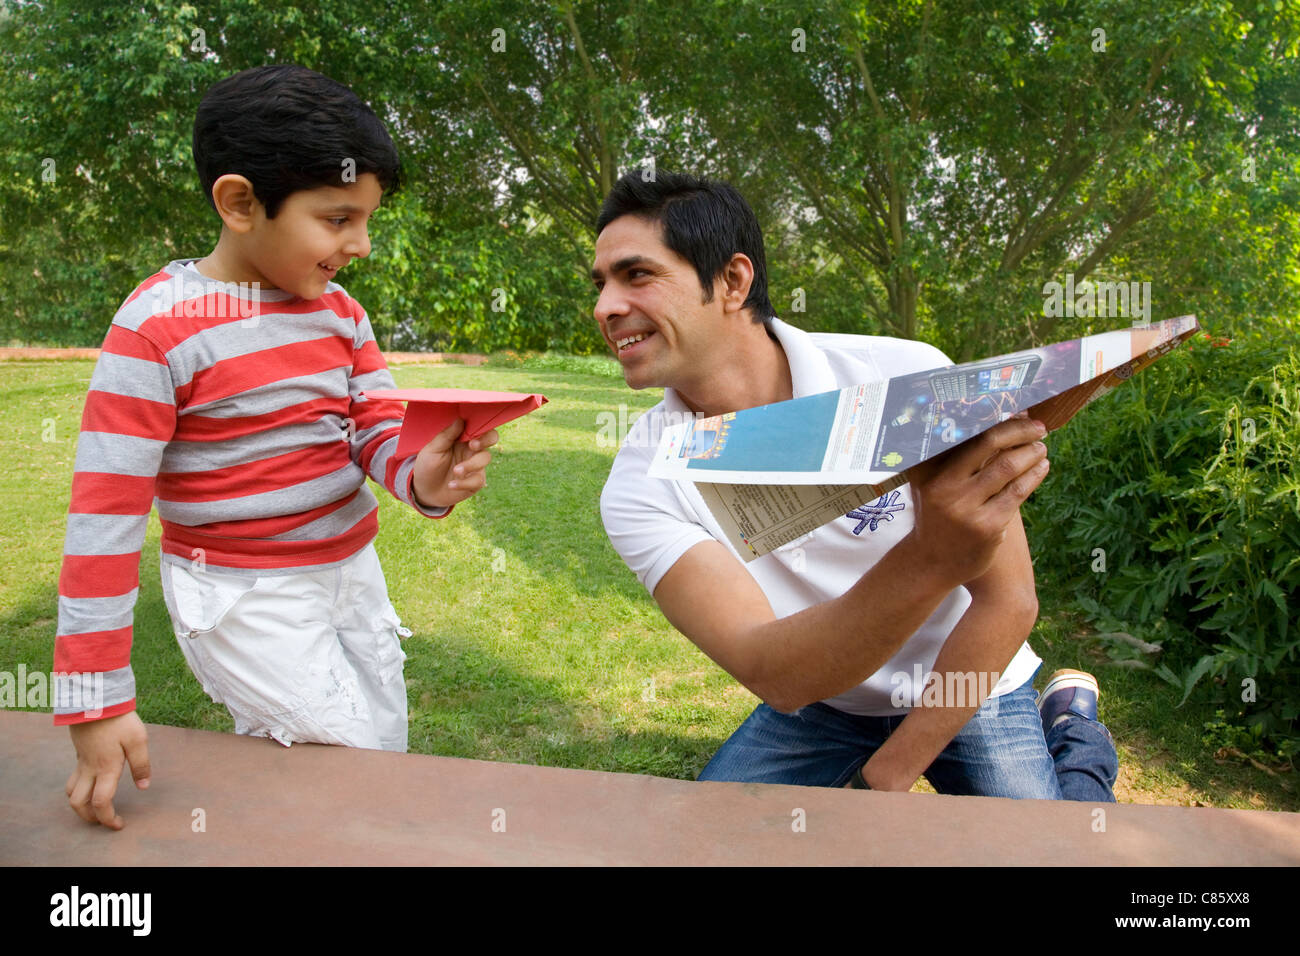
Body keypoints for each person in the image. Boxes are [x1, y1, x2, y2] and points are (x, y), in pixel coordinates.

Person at [55, 65, 499, 830]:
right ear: (240, 203)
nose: (359, 245)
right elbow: (105, 516)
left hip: (350, 569)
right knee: (347, 763)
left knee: (381, 744)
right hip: (242, 594)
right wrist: (94, 696)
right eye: (337, 219)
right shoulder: (158, 329)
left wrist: (421, 477)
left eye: (367, 220)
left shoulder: (340, 314)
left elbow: (374, 429)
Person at [593, 170, 1118, 799]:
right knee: (712, 843)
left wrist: (889, 773)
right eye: (600, 285)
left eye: (637, 274)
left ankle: (1074, 733)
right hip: (823, 696)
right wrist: (932, 555)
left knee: (1049, 853)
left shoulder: (906, 377)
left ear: (733, 281)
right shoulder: (641, 480)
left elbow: (1010, 602)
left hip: (971, 682)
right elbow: (775, 672)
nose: (605, 307)